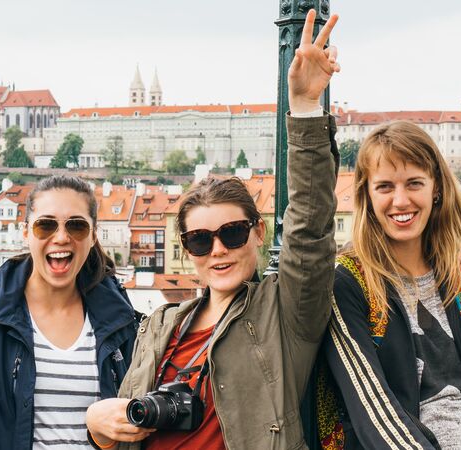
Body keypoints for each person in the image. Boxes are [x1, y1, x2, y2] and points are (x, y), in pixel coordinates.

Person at [84, 9, 340, 449]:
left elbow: (309, 228)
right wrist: (98, 427)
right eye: (200, 240)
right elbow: (124, 431)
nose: (218, 250)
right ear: (186, 249)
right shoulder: (161, 325)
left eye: (233, 233)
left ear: (258, 233)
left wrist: (303, 109)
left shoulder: (284, 310)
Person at [320, 119, 461, 449]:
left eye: (414, 183)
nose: (401, 201)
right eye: (386, 187)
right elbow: (373, 411)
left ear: (436, 189)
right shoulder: (349, 284)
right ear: (367, 195)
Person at [0, 175, 139, 450]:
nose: (61, 237)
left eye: (77, 226)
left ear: (94, 234)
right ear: (26, 232)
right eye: (45, 225)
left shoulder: (121, 319)